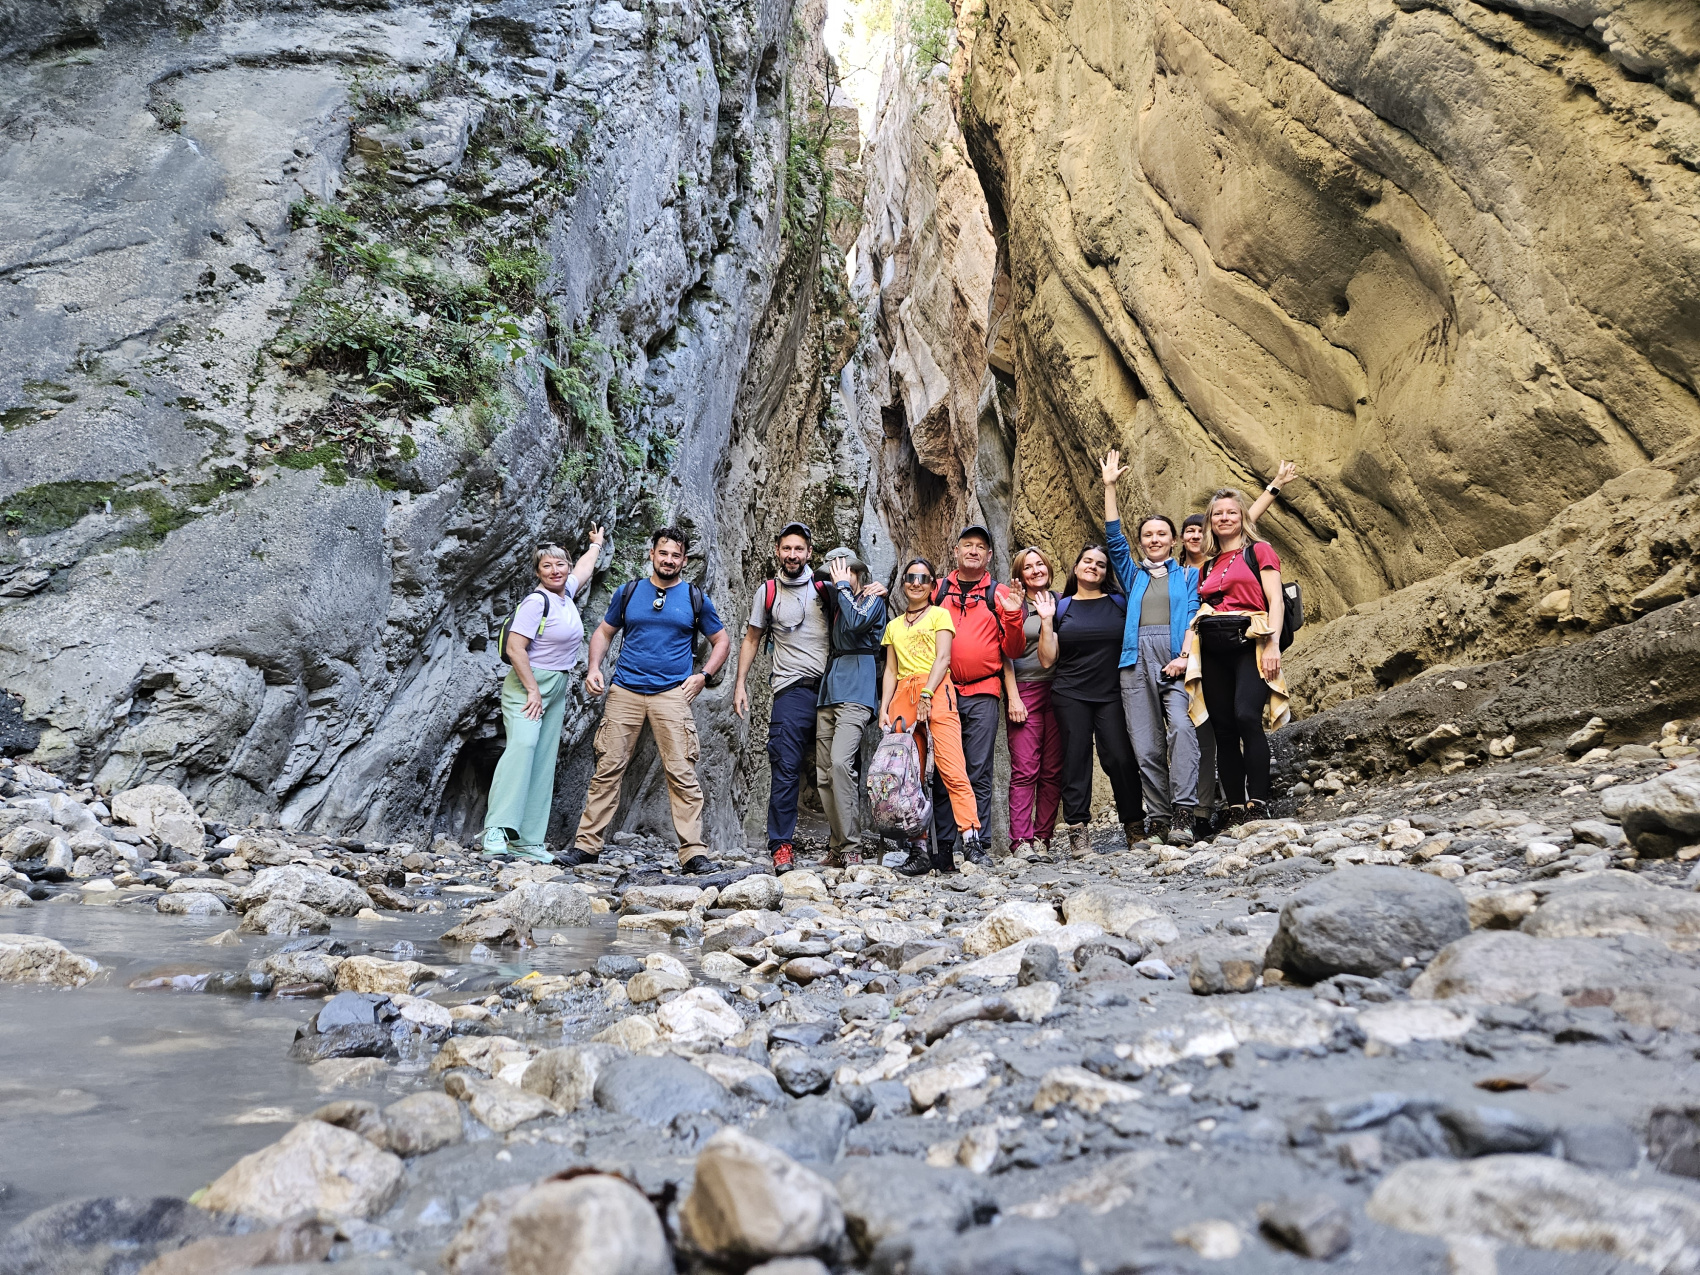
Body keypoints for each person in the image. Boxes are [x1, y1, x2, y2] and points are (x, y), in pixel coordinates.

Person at [566, 526, 732, 874]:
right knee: (607, 769)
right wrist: (594, 667)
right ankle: (586, 847)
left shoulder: (693, 597)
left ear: (684, 560)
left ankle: (692, 853)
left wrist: (703, 676)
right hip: (625, 689)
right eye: (664, 553)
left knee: (682, 772)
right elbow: (604, 632)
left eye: (676, 555)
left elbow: (721, 641)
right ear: (652, 554)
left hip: (671, 693)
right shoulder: (629, 592)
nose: (669, 560)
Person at [1179, 462, 1296, 825]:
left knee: (1247, 716)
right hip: (1213, 648)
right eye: (1218, 514)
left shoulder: (1259, 551)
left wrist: (1273, 644)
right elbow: (1204, 607)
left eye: (1232, 512)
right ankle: (1233, 807)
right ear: (1210, 521)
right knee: (1224, 726)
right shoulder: (1208, 565)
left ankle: (1257, 801)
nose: (1225, 518)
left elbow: (1275, 600)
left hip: (1251, 642)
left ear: (1240, 517)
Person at [483, 531, 606, 862]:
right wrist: (533, 690)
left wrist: (595, 544)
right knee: (521, 749)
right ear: (538, 572)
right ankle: (496, 829)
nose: (556, 571)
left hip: (558, 685)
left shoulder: (565, 593)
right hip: (528, 684)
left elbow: (584, 569)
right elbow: (514, 647)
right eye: (547, 566)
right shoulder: (536, 601)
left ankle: (527, 840)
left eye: (560, 564)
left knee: (542, 759)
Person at [1100, 451, 1201, 845]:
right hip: (1134, 661)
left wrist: (1185, 656)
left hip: (1177, 659)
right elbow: (1113, 538)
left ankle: (1184, 811)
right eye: (1148, 536)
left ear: (1173, 540)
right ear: (1142, 543)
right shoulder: (1132, 574)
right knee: (1145, 747)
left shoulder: (1189, 577)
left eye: (1161, 535)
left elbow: (1194, 616)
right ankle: (1158, 816)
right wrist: (1110, 487)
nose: (1154, 540)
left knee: (1181, 729)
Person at [733, 521, 830, 874]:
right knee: (786, 768)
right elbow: (752, 639)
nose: (792, 555)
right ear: (778, 550)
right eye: (786, 548)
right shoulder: (768, 592)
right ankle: (782, 846)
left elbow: (854, 619)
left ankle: (842, 846)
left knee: (836, 769)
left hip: (829, 690)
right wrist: (740, 683)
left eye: (799, 549)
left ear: (809, 552)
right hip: (789, 689)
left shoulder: (824, 587)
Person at [880, 557, 982, 876]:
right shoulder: (893, 626)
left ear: (933, 585)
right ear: (904, 583)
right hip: (902, 696)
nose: (916, 583)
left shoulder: (940, 615)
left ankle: (971, 838)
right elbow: (890, 671)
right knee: (908, 775)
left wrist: (926, 694)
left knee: (952, 766)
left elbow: (943, 657)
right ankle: (918, 849)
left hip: (936, 690)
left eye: (923, 579)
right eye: (911, 577)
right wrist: (884, 707)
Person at [929, 524, 1024, 865]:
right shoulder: (937, 590)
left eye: (979, 547)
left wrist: (1013, 614)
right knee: (942, 770)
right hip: (944, 690)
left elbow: (1013, 648)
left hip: (984, 690)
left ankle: (977, 843)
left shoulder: (997, 593)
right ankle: (943, 846)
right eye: (966, 545)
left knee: (978, 769)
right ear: (955, 551)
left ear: (989, 555)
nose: (972, 550)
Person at [1041, 544, 1144, 857]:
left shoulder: (1119, 603)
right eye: (1087, 561)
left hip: (1111, 691)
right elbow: (1047, 660)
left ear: (1106, 572)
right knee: (1076, 759)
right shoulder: (1062, 607)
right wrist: (1046, 621)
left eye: (1100, 564)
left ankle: (1134, 826)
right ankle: (1078, 831)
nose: (1093, 567)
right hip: (1070, 692)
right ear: (1076, 567)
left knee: (1120, 758)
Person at [816, 546, 887, 867]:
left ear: (857, 574)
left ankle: (851, 846)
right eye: (833, 574)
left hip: (857, 689)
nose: (836, 579)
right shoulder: (833, 599)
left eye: (843, 573)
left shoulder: (873, 599)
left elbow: (858, 622)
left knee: (842, 765)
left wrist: (844, 586)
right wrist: (837, 588)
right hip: (829, 690)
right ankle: (837, 845)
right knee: (823, 774)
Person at [1002, 547, 1061, 859]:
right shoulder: (1015, 605)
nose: (1036, 570)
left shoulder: (1062, 601)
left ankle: (1043, 838)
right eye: (1028, 567)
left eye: (1040, 563)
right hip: (1025, 690)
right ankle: (1020, 841)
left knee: (1053, 770)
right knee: (1025, 770)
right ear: (1019, 575)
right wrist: (1012, 696)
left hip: (1060, 691)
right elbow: (1005, 656)